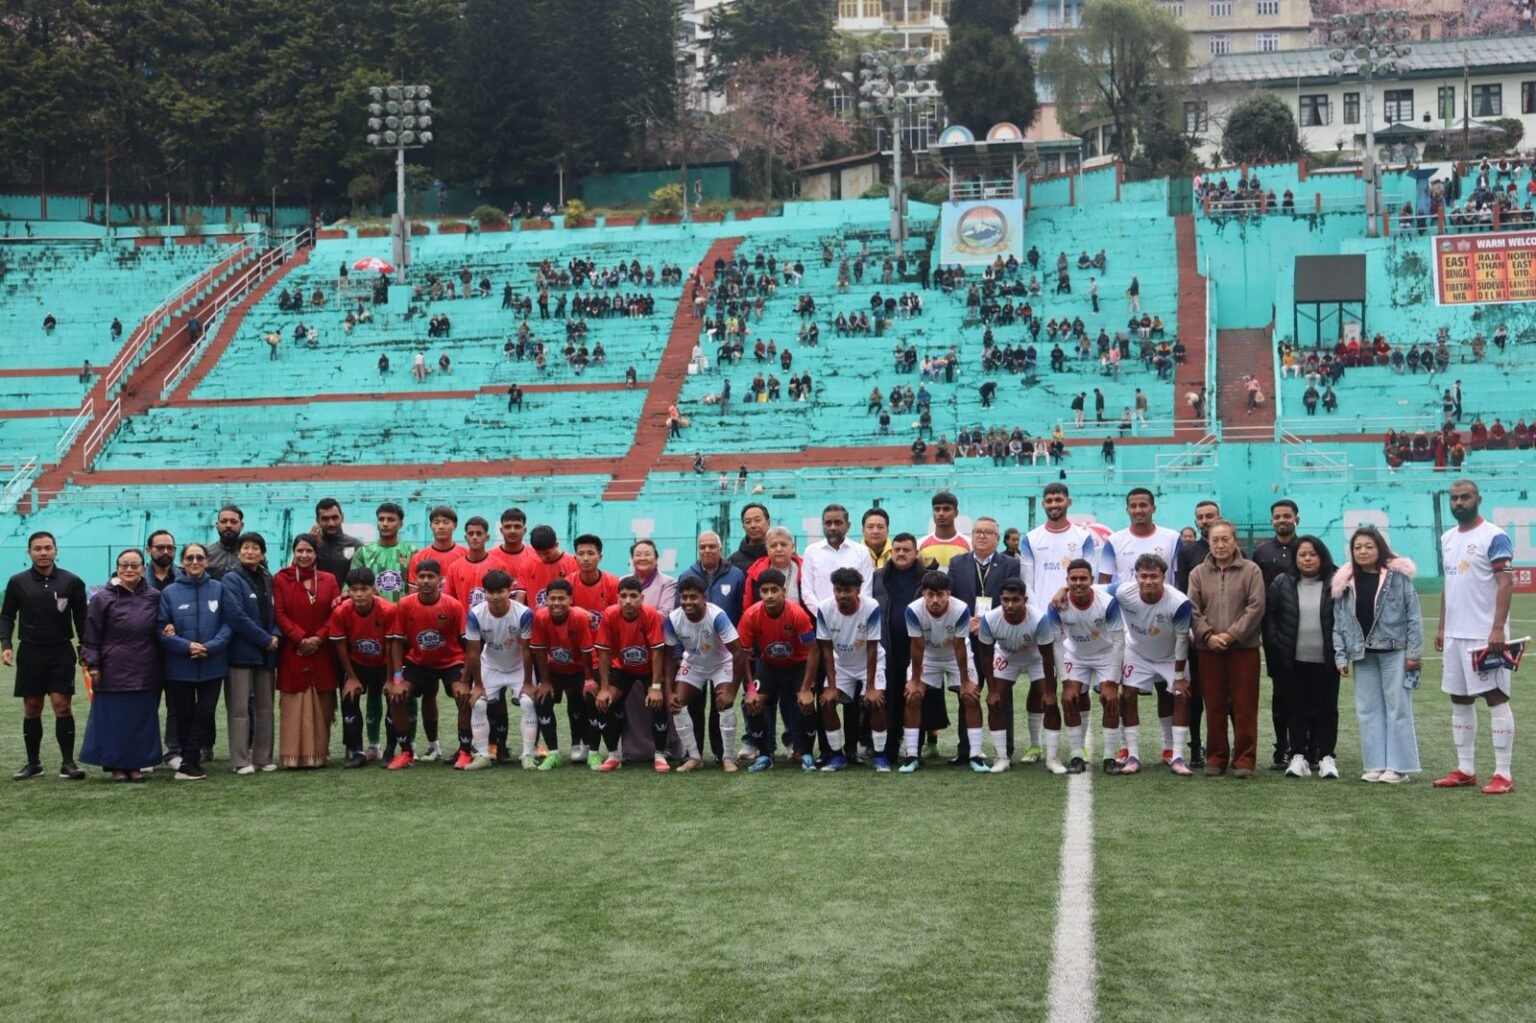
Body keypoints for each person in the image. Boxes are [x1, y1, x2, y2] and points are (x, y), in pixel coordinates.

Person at [1433, 480, 1516, 794]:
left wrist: (1498, 628)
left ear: (1478, 499)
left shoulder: (1494, 536)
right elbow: (1449, 584)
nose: (1458, 503)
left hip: (1484, 634)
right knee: (1459, 698)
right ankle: (1465, 769)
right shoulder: (1447, 538)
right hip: (1455, 635)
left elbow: (1506, 583)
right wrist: (1442, 626)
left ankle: (1503, 773)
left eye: (1465, 497)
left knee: (1495, 696)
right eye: (1454, 498)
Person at [1332, 527, 1422, 784]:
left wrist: (1414, 653)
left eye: (1369, 546)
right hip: (1363, 655)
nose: (1363, 551)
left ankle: (1400, 768)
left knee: (1398, 709)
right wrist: (1341, 656)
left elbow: (1414, 616)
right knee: (1367, 710)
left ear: (1380, 548)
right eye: (1357, 547)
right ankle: (1376, 764)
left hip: (1395, 651)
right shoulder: (1345, 581)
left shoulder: (1397, 577)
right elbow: (1339, 621)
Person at [3, 531, 89, 780]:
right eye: (38, 548)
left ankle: (68, 764)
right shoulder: (17, 582)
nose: (43, 553)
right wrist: (6, 644)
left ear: (56, 550)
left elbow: (82, 618)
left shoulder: (72, 581)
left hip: (60, 651)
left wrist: (84, 647)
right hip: (30, 651)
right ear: (29, 552)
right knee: (32, 706)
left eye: (48, 548)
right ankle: (33, 764)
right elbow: (6, 616)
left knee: (62, 705)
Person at [1187, 521, 1265, 778]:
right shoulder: (1198, 573)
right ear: (1208, 542)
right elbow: (1192, 609)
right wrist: (1208, 636)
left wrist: (1231, 635)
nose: (1220, 545)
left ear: (1234, 540)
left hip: (1244, 648)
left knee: (1245, 706)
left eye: (1225, 539)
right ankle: (1216, 757)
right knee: (1215, 705)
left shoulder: (1251, 570)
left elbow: (1256, 607)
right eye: (1215, 540)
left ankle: (1245, 759)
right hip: (1208, 650)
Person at [78, 549, 162, 782]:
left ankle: (135, 764)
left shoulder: (155, 596)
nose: (129, 569)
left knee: (140, 720)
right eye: (124, 565)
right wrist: (93, 664)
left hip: (146, 667)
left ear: (143, 568)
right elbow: (91, 635)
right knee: (113, 721)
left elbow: (163, 624)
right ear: (117, 568)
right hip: (111, 668)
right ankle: (115, 766)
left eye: (134, 565)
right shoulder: (101, 598)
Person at [1262, 536, 1341, 779]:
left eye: (1312, 554)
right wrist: (1276, 646)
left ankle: (1326, 757)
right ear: (1295, 559)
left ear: (1322, 556)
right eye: (1302, 555)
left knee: (1327, 709)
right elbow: (1270, 618)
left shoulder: (1336, 582)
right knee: (1296, 709)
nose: (1307, 559)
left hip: (1327, 660)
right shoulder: (1282, 582)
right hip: (1293, 660)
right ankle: (1298, 756)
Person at [947, 517, 1021, 764]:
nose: (981, 536)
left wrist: (988, 621)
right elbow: (951, 596)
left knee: (1001, 694)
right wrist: (965, 619)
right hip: (967, 636)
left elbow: (1013, 595)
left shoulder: (1010, 564)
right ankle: (966, 749)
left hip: (998, 638)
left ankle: (1004, 750)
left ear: (997, 539)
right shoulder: (958, 562)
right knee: (968, 692)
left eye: (988, 532)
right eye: (978, 531)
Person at [157, 544, 232, 781]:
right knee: (184, 715)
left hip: (213, 663)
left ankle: (189, 762)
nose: (195, 562)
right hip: (180, 666)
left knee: (205, 712)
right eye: (190, 558)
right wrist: (187, 646)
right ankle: (189, 762)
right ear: (183, 562)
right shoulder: (169, 592)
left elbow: (228, 624)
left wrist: (210, 647)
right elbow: (161, 629)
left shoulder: (219, 588)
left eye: (200, 557)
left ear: (207, 561)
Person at [1045, 559, 1125, 773]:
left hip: (1106, 654)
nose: (1078, 583)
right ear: (1067, 581)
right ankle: (1076, 756)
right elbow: (1056, 643)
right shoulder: (1057, 605)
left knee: (1110, 698)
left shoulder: (1107, 602)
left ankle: (1109, 757)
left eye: (1083, 578)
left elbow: (1119, 642)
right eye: (1073, 579)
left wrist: (1112, 682)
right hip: (1076, 655)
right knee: (1069, 698)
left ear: (1092, 580)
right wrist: (1064, 681)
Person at [737, 568, 818, 771]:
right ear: (760, 593)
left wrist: (807, 687)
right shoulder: (751, 615)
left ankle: (805, 752)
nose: (769, 595)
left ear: (784, 591)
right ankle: (765, 755)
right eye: (765, 591)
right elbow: (742, 655)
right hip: (770, 666)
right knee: (753, 702)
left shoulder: (797, 614)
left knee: (806, 702)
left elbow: (813, 650)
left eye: (774, 590)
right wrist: (750, 689)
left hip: (798, 666)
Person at [900, 571, 980, 774]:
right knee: (913, 696)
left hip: (955, 655)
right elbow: (917, 646)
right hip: (928, 656)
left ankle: (975, 755)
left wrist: (965, 682)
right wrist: (915, 680)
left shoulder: (961, 609)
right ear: (924, 594)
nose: (935, 600)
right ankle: (912, 755)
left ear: (948, 594)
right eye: (930, 594)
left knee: (970, 697)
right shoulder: (913, 610)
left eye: (940, 594)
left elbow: (960, 646)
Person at [273, 534, 341, 769]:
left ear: (316, 554)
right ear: (293, 553)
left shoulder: (329, 579)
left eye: (309, 551)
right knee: (294, 703)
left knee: (322, 703)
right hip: (294, 650)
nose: (304, 555)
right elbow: (279, 613)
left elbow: (336, 613)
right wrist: (301, 638)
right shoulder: (281, 578)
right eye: (299, 551)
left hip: (322, 651)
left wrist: (319, 638)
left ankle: (319, 755)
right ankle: (293, 757)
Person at [663, 576, 745, 772]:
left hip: (721, 665)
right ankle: (694, 757)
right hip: (693, 665)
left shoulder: (717, 616)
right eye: (684, 597)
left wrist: (731, 692)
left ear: (704, 597)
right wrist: (668, 691)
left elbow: (738, 653)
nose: (688, 602)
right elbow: (668, 657)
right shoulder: (673, 619)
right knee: (677, 705)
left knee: (724, 705)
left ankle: (728, 757)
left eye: (693, 597)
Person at [976, 580, 1058, 773]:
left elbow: (1048, 657)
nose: (1010, 605)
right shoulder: (989, 619)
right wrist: (992, 690)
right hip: (1007, 658)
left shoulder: (1039, 619)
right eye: (1005, 600)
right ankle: (1002, 758)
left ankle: (1052, 758)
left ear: (1025, 600)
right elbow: (986, 655)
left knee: (1050, 703)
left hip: (1036, 658)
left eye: (1015, 600)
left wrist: (1050, 691)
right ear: (1000, 599)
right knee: (994, 702)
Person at [809, 567, 885, 771]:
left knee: (877, 702)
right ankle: (836, 756)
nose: (842, 595)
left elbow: (872, 647)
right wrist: (832, 686)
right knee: (826, 702)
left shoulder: (871, 607)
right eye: (838, 590)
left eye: (847, 590)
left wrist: (870, 687)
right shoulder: (824, 608)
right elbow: (826, 648)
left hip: (871, 661)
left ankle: (880, 756)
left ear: (858, 591)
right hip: (841, 664)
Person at [592, 576, 670, 772]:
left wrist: (656, 687)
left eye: (633, 596)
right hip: (623, 668)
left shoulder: (650, 614)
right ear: (618, 598)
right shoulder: (610, 614)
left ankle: (660, 755)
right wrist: (603, 688)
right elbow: (603, 652)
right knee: (605, 701)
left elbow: (658, 652)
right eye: (624, 596)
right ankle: (613, 755)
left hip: (648, 669)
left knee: (658, 702)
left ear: (641, 598)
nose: (628, 601)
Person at [463, 569, 535, 771]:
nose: (495, 597)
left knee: (528, 702)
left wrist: (528, 682)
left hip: (518, 667)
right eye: (490, 592)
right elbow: (473, 652)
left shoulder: (524, 613)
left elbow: (527, 650)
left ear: (509, 591)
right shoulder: (475, 615)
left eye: (500, 591)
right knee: (478, 704)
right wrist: (478, 685)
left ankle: (528, 755)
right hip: (490, 666)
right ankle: (483, 755)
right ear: (484, 592)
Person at [222, 532, 281, 775]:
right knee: (239, 710)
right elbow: (236, 616)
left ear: (263, 553)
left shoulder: (267, 577)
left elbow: (276, 611)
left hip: (267, 654)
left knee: (265, 708)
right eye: (245, 547)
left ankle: (262, 758)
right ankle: (239, 760)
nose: (250, 552)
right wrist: (265, 639)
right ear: (238, 552)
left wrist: (275, 635)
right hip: (241, 653)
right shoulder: (231, 578)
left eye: (255, 548)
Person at [329, 568, 397, 769]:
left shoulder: (388, 610)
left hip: (385, 664)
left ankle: (390, 751)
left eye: (364, 589)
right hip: (357, 664)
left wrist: (391, 679)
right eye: (354, 589)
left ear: (374, 589)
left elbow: (392, 646)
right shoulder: (341, 612)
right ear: (348, 591)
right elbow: (341, 646)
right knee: (349, 696)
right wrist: (351, 677)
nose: (359, 594)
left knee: (395, 698)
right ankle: (356, 751)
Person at [528, 578, 598, 770]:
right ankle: (554, 754)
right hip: (556, 669)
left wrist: (589, 679)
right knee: (542, 699)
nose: (557, 603)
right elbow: (540, 651)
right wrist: (545, 682)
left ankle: (593, 752)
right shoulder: (541, 617)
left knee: (590, 699)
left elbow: (586, 651)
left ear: (570, 600)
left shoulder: (579, 617)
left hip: (580, 669)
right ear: (546, 600)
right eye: (552, 599)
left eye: (561, 598)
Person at [1253, 498, 1302, 769]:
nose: (1282, 520)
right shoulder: (1262, 552)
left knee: (1306, 690)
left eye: (1287, 515)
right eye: (1277, 516)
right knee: (1281, 692)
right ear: (1272, 521)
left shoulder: (1308, 548)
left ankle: (1307, 747)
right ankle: (1282, 748)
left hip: (1307, 630)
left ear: (1297, 518)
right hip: (1275, 632)